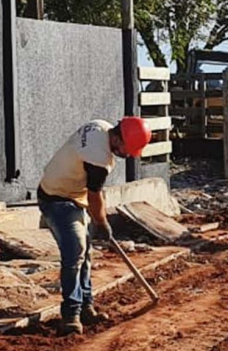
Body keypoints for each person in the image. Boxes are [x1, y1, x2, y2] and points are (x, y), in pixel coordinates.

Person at [38, 117, 152, 335]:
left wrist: (97, 220)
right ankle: (71, 313)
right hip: (56, 198)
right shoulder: (98, 157)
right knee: (75, 251)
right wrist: (102, 222)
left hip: (72, 194)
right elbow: (95, 196)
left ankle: (86, 305)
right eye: (127, 149)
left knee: (85, 253)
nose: (127, 155)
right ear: (119, 138)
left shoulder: (101, 126)